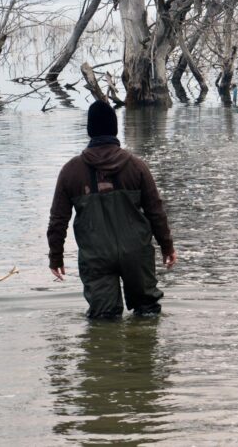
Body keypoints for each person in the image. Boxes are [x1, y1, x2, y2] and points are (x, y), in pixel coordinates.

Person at [47, 101, 177, 318]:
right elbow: (156, 212)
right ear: (115, 129)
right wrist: (167, 246)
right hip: (136, 252)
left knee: (103, 319)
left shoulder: (70, 171)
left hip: (96, 256)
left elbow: (58, 221)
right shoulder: (137, 166)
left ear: (89, 130)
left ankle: (106, 341)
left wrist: (56, 257)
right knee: (147, 312)